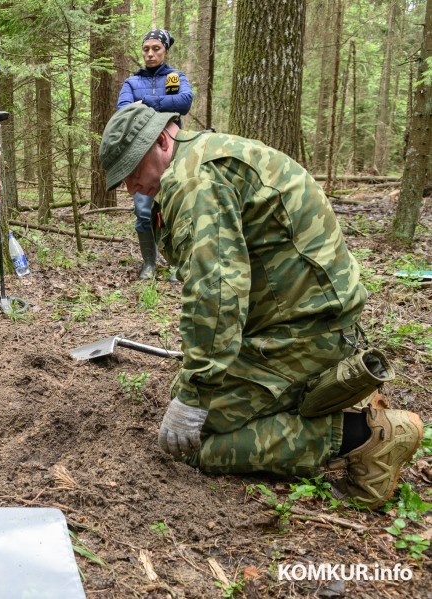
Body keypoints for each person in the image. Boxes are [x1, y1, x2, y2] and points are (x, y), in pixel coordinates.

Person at [98, 104, 423, 509]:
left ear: (163, 140)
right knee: (183, 402)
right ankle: (327, 391)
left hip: (305, 330)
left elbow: (216, 292)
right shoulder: (204, 155)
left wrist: (196, 393)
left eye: (133, 171)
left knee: (199, 441)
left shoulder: (193, 181)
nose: (131, 187)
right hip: (305, 318)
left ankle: (366, 435)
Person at [116, 29, 192, 280]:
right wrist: (161, 106)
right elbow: (124, 110)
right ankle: (149, 263)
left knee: (174, 210)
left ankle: (175, 264)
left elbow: (184, 102)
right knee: (144, 212)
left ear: (165, 50)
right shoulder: (131, 82)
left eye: (156, 48)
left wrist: (148, 102)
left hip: (174, 154)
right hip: (142, 156)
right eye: (146, 49)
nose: (150, 54)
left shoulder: (174, 77)